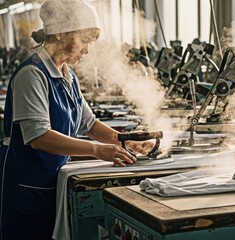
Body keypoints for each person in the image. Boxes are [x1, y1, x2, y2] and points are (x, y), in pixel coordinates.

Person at [0, 0, 153, 239]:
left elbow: (88, 124)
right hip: (29, 187)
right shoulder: (32, 74)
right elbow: (39, 137)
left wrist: (123, 141)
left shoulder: (66, 74)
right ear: (61, 34)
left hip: (54, 182)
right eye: (84, 41)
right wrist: (97, 150)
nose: (86, 51)